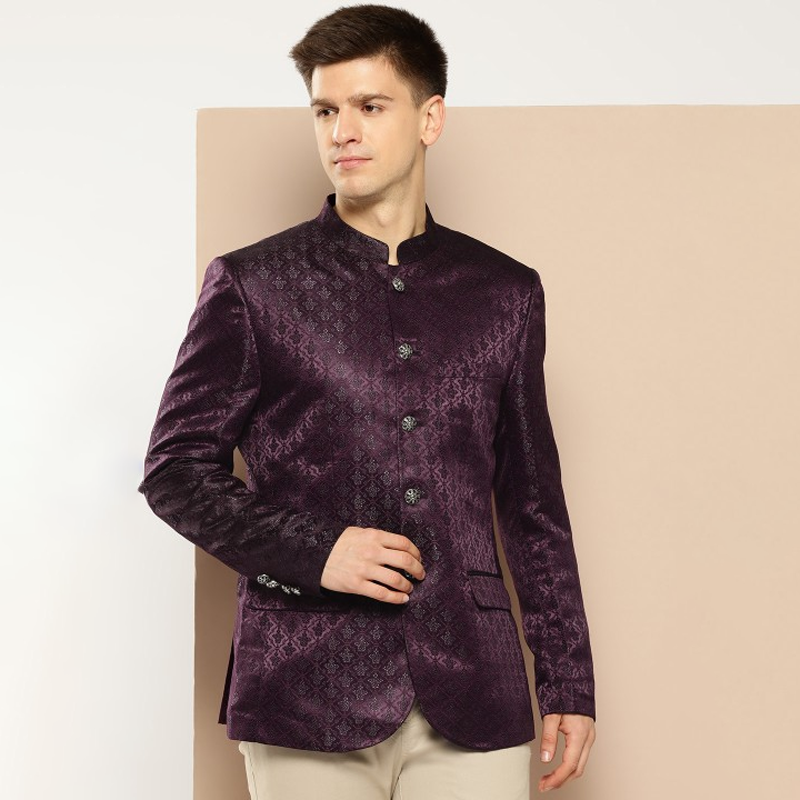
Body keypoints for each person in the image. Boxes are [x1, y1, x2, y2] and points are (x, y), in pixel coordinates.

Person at [138, 5, 596, 798]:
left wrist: (568, 681)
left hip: (474, 687)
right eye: (325, 110)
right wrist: (317, 550)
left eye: (370, 106)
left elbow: (532, 502)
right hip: (303, 686)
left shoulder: (505, 293)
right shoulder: (253, 285)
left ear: (430, 118)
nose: (341, 132)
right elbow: (174, 471)